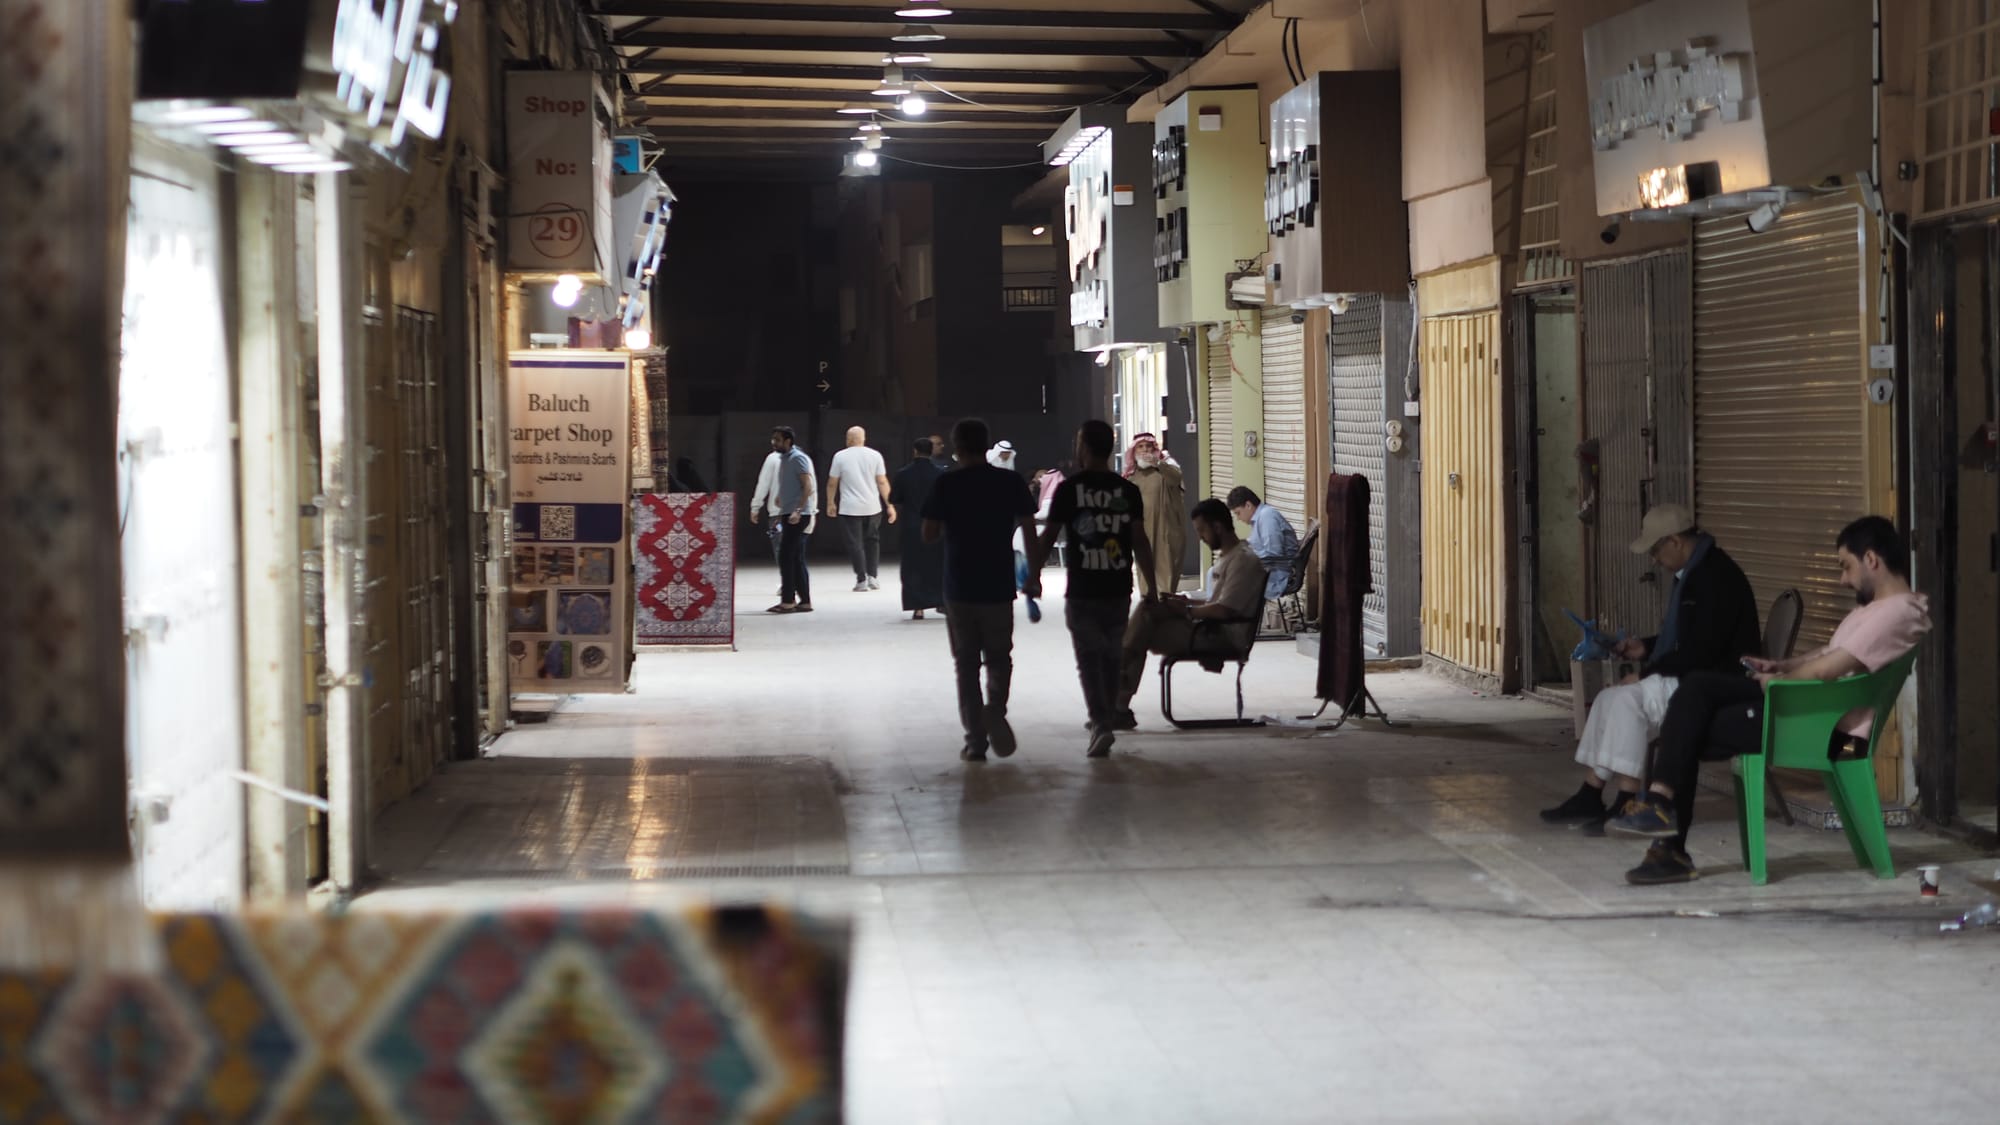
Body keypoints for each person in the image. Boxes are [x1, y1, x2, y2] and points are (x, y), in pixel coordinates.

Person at [1606, 516, 1929, 885]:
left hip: (1826, 731)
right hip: (1813, 713)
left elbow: (1828, 670)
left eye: (1845, 566)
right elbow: (1830, 654)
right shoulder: (1879, 610)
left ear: (1871, 559)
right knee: (1692, 703)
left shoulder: (1896, 612)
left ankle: (1666, 832)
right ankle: (1663, 820)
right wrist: (1783, 666)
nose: (1843, 580)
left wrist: (1780, 681)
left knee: (1688, 716)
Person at [1537, 504, 1761, 833]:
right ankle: (1590, 793)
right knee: (1607, 698)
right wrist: (1646, 647)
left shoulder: (1714, 579)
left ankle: (1627, 800)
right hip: (1692, 672)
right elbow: (1687, 640)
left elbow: (1700, 652)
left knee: (1628, 700)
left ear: (1675, 541)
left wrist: (1644, 674)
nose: (1655, 560)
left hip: (1711, 683)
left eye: (1656, 550)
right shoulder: (1696, 572)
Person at [922, 418, 1040, 762]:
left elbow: (929, 534)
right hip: (998, 584)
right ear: (986, 444)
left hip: (960, 585)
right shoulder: (1009, 482)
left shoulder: (946, 483)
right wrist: (1033, 575)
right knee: (1000, 658)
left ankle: (975, 741)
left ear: (957, 447)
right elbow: (1029, 529)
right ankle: (995, 710)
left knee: (966, 663)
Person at [1036, 420, 1155, 758]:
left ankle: (1101, 723)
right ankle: (1106, 716)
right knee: (1112, 655)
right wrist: (1153, 585)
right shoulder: (1127, 490)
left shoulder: (1069, 489)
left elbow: (1049, 536)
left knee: (1089, 658)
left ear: (1084, 448)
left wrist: (1033, 575)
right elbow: (1139, 541)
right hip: (1118, 587)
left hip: (1083, 589)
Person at [1113, 498, 1266, 727]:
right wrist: (1184, 601)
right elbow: (1218, 601)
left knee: (1145, 624)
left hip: (1221, 636)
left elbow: (1225, 610)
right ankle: (1119, 698)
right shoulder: (1228, 557)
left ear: (1217, 527)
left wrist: (1187, 610)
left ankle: (1119, 681)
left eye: (1202, 530)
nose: (1201, 537)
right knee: (1148, 613)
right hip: (1209, 628)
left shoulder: (1243, 561)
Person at [826, 426, 894, 593]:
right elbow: (882, 481)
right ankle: (873, 577)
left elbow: (832, 482)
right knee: (872, 541)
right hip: (873, 507)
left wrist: (830, 502)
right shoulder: (875, 455)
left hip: (850, 508)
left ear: (848, 439)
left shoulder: (840, 456)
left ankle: (861, 579)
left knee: (855, 544)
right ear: (863, 438)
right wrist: (890, 505)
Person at [888, 437, 946, 619]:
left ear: (915, 451)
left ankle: (917, 607)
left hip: (911, 526)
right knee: (936, 564)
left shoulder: (903, 473)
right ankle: (940, 600)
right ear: (931, 451)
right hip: (935, 525)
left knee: (912, 566)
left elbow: (894, 498)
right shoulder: (940, 474)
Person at [1124, 432, 1186, 599]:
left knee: (1166, 580)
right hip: (1143, 533)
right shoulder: (1131, 476)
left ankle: (1166, 606)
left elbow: (1176, 478)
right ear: (1134, 451)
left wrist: (1158, 463)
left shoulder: (1166, 467)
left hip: (1167, 531)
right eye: (1140, 447)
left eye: (1148, 446)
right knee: (1145, 576)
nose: (1145, 450)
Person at [767, 427, 817, 614]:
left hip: (798, 515)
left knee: (786, 556)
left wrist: (798, 510)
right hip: (789, 512)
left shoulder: (798, 458)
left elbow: (808, 486)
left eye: (777, 440)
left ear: (788, 441)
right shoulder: (784, 459)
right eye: (773, 439)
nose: (774, 443)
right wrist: (781, 497)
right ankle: (805, 601)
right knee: (795, 558)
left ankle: (788, 601)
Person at [1226, 486, 1301, 600]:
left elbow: (1274, 553)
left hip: (1277, 573)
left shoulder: (1267, 517)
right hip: (1269, 569)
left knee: (1229, 581)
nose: (1238, 518)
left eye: (1238, 513)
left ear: (1248, 505)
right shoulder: (1260, 518)